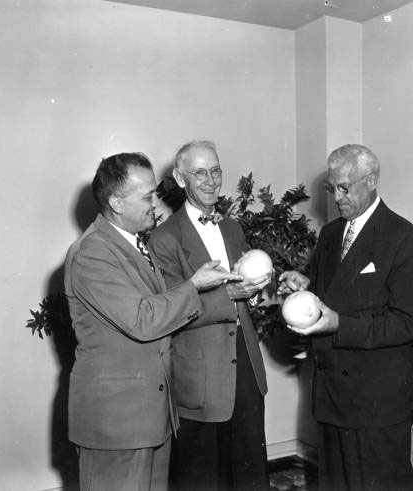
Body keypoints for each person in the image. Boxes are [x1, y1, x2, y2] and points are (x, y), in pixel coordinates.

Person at [64, 152, 241, 491]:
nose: (155, 202)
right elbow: (143, 319)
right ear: (116, 202)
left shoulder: (131, 246)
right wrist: (194, 285)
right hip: (117, 424)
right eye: (146, 196)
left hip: (150, 417)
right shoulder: (93, 252)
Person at [278, 144, 413, 491]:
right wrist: (304, 285)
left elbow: (406, 323)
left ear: (372, 179)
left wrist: (339, 325)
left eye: (345, 187)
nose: (337, 197)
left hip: (375, 403)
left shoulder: (404, 239)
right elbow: (328, 297)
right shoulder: (331, 235)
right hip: (331, 396)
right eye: (333, 188)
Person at [149, 141, 270, 491]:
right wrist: (228, 295)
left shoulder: (233, 229)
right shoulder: (164, 238)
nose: (211, 180)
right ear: (180, 178)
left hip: (246, 367)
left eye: (215, 170)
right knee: (202, 479)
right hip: (199, 377)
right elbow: (171, 311)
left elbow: (247, 294)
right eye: (199, 172)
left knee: (249, 475)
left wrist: (263, 288)